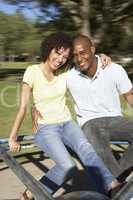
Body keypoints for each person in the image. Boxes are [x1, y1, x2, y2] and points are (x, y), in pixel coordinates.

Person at [9, 32, 121, 200]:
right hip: (46, 129)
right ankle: (31, 195)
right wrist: (12, 137)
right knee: (67, 166)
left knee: (87, 149)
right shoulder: (32, 72)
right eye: (58, 52)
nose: (60, 58)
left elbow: (85, 61)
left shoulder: (65, 73)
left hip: (67, 124)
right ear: (49, 49)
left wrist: (100, 56)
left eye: (65, 56)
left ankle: (113, 188)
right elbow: (23, 107)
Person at [67, 34, 133, 177]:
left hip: (115, 119)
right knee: (100, 148)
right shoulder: (69, 76)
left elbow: (129, 94)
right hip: (89, 123)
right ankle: (118, 189)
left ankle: (117, 179)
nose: (79, 59)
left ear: (92, 50)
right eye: (75, 55)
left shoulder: (113, 69)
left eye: (83, 53)